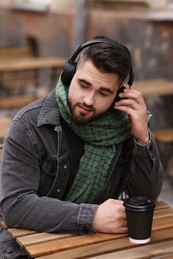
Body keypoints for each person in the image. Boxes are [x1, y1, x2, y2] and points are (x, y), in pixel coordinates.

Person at [0, 36, 163, 258]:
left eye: (103, 93)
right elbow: (15, 206)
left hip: (96, 244)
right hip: (25, 247)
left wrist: (142, 138)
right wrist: (92, 216)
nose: (88, 100)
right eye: (83, 84)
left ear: (119, 95)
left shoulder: (123, 127)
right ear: (69, 74)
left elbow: (145, 198)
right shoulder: (29, 125)